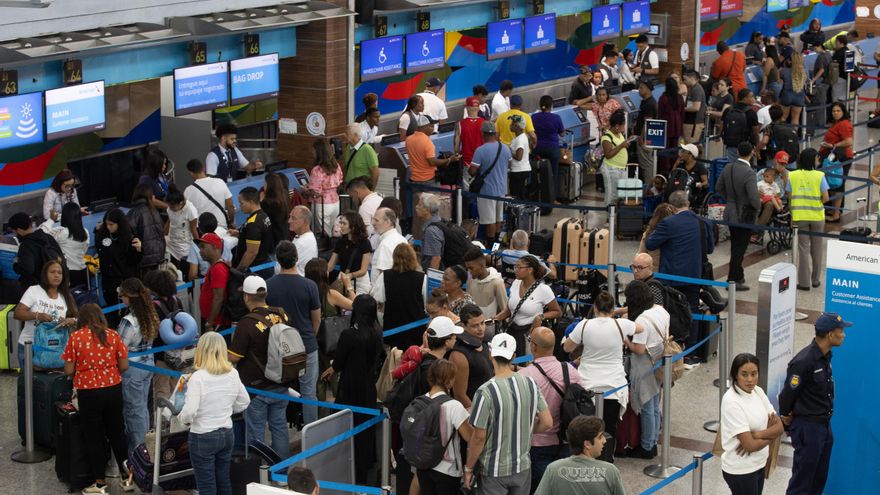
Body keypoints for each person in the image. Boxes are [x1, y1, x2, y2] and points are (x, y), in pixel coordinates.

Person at [463, 332, 552, 493]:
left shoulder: (485, 391)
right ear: (514, 356)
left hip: (493, 470)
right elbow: (547, 422)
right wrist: (523, 429)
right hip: (522, 466)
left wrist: (468, 469)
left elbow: (479, 437)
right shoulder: (530, 383)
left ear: (490, 354)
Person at [61, 304, 129, 495]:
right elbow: (124, 364)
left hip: (88, 392)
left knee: (94, 437)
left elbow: (68, 370)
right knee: (118, 433)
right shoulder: (113, 335)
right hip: (113, 389)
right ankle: (128, 479)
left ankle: (100, 484)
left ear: (82, 319)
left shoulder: (76, 337)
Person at [779, 312, 849, 495]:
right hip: (808, 428)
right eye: (841, 331)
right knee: (801, 484)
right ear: (830, 334)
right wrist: (787, 420)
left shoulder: (825, 357)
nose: (844, 334)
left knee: (818, 480)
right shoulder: (804, 361)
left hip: (824, 427)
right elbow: (786, 395)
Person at [563, 291, 642, 455]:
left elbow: (567, 347)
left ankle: (588, 458)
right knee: (610, 429)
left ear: (595, 308)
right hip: (614, 386)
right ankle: (608, 459)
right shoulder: (621, 324)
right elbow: (640, 328)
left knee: (588, 429)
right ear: (612, 308)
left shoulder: (584, 325)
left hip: (588, 385)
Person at [320, 295, 385, 483]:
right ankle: (363, 475)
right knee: (365, 433)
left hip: (349, 389)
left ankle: (346, 472)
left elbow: (339, 362)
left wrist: (331, 369)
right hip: (368, 389)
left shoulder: (349, 335)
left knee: (347, 429)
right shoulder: (377, 332)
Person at [645, 191, 714, 365]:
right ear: (688, 202)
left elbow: (650, 243)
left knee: (669, 312)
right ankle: (691, 353)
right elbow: (710, 248)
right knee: (693, 310)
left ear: (672, 206)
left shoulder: (668, 223)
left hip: (671, 277)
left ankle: (672, 350)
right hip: (694, 276)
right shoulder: (702, 222)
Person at [177, 332, 250, 495]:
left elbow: (189, 412)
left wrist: (181, 420)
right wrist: (227, 410)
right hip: (226, 433)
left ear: (201, 350)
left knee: (206, 485)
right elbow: (245, 401)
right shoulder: (233, 373)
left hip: (202, 436)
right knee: (224, 481)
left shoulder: (198, 378)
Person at [227, 275, 292, 457]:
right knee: (279, 427)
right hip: (281, 382)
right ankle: (280, 472)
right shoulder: (282, 314)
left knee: (256, 433)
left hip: (256, 388)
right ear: (265, 294)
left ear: (246, 297)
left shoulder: (246, 323)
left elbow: (234, 357)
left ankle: (259, 473)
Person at [519, 327, 584, 490]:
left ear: (533, 347)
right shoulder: (569, 370)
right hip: (565, 438)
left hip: (537, 442)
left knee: (541, 488)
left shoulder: (524, 376)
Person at [265, 241, 321, 424]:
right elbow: (316, 319)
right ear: (297, 258)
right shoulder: (310, 286)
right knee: (309, 393)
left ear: (278, 260)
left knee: (279, 391)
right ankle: (311, 436)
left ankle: (280, 430)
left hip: (279, 347)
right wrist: (309, 336)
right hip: (306, 345)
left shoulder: (268, 286)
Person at [719, 353, 783, 495]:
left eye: (754, 374)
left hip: (759, 464)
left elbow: (779, 427)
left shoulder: (758, 392)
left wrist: (757, 434)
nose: (750, 380)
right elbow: (750, 446)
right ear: (736, 375)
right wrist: (771, 434)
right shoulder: (731, 401)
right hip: (741, 470)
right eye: (744, 374)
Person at [623, 280, 669, 459]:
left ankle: (647, 446)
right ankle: (654, 439)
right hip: (659, 359)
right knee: (655, 402)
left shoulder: (642, 320)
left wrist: (626, 339)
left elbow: (639, 349)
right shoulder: (660, 309)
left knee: (647, 405)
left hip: (645, 364)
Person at [416, 359, 474, 495]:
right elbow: (470, 436)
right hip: (447, 470)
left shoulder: (420, 402)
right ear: (449, 381)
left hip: (423, 466)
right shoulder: (453, 405)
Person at [116, 278, 160, 453]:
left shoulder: (128, 321)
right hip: (147, 364)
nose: (122, 298)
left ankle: (138, 450)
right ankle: (146, 446)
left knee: (134, 411)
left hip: (132, 369)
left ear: (129, 297)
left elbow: (120, 347)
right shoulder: (150, 314)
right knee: (142, 407)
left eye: (123, 295)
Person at [534, 416, 626, 495]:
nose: (604, 441)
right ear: (587, 444)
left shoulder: (553, 469)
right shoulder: (611, 471)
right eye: (600, 437)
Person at [13, 259, 78, 368]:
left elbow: (78, 319)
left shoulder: (66, 296)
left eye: (59, 273)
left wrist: (71, 321)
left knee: (51, 383)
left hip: (55, 349)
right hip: (30, 346)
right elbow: (17, 313)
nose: (56, 275)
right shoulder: (34, 290)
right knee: (29, 383)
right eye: (52, 272)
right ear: (45, 275)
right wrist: (38, 315)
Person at [493, 254, 561, 355]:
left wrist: (540, 317)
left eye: (519, 267)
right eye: (515, 267)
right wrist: (495, 318)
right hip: (512, 332)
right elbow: (509, 309)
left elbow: (557, 312)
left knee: (525, 365)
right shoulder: (515, 283)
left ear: (530, 270)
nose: (515, 270)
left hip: (529, 335)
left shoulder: (543, 289)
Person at [716, 142, 761, 292]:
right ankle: (732, 279)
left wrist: (729, 200)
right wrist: (757, 208)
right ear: (752, 152)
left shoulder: (728, 167)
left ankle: (739, 275)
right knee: (739, 248)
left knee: (736, 245)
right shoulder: (749, 172)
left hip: (730, 211)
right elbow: (754, 198)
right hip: (744, 215)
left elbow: (719, 188)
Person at [788, 148, 830, 291]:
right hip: (817, 216)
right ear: (813, 160)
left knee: (803, 249)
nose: (819, 160)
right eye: (818, 158)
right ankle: (816, 280)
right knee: (817, 249)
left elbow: (789, 195)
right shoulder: (819, 176)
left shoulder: (792, 175)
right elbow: (826, 197)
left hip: (800, 217)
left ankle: (804, 283)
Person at [372, 242, 426, 349]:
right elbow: (426, 304)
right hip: (415, 330)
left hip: (392, 329)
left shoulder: (385, 276)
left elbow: (378, 299)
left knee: (392, 360)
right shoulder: (423, 278)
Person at [94, 209, 142, 316]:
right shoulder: (103, 234)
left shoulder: (129, 237)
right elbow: (99, 249)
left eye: (111, 224)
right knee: (112, 311)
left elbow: (134, 261)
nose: (108, 227)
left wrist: (138, 250)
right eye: (106, 224)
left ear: (119, 224)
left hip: (124, 280)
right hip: (108, 280)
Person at [468, 121, 511, 242]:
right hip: (501, 189)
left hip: (487, 190)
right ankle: (496, 246)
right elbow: (510, 164)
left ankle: (491, 246)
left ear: (484, 134)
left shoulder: (480, 150)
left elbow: (472, 171)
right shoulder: (505, 148)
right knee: (498, 219)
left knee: (489, 221)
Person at [448, 304, 493, 410]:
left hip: (490, 405)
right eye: (475, 325)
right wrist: (478, 416)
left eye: (482, 323)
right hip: (473, 413)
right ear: (463, 326)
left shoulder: (484, 343)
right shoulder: (459, 355)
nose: (481, 329)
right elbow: (459, 394)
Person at [39, 202, 90, 287]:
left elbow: (40, 233)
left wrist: (51, 220)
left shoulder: (62, 232)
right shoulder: (86, 232)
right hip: (83, 272)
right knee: (84, 299)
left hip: (68, 273)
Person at [9, 212, 63, 289]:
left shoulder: (26, 245)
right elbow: (61, 257)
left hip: (38, 287)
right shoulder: (47, 237)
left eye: (14, 232)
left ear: (19, 230)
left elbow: (28, 270)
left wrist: (16, 265)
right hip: (55, 284)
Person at [820, 102, 853, 223]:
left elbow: (848, 141)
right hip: (834, 158)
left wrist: (832, 145)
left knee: (837, 184)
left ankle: (836, 214)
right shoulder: (837, 123)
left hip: (841, 158)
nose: (835, 113)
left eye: (838, 111)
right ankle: (834, 210)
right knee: (833, 184)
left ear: (843, 111)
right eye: (834, 111)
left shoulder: (844, 124)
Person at [408, 114, 461, 188]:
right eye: (432, 126)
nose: (433, 129)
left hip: (414, 179)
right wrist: (449, 159)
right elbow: (432, 162)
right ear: (425, 127)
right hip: (428, 180)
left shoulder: (408, 140)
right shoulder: (427, 141)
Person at [230, 187, 273, 277]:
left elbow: (251, 252)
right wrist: (240, 233)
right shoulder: (263, 215)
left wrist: (238, 271)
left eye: (242, 203)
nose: (240, 207)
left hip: (255, 270)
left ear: (251, 202)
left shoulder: (253, 223)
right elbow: (259, 236)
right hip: (264, 263)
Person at [327, 211, 373, 295]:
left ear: (353, 227)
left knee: (356, 305)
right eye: (341, 223)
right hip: (343, 280)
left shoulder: (365, 243)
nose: (341, 226)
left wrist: (350, 275)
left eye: (344, 224)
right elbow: (331, 265)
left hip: (359, 282)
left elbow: (363, 270)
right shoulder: (340, 242)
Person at [184, 158, 235, 229]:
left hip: (202, 230)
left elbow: (186, 214)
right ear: (203, 168)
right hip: (222, 228)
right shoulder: (220, 182)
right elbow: (230, 206)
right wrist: (231, 222)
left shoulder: (188, 190)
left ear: (191, 173)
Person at [126, 183, 166, 274]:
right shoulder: (154, 211)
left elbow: (127, 233)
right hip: (159, 257)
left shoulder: (134, 212)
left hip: (143, 259)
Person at [599, 110, 634, 207]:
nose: (624, 127)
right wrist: (622, 145)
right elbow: (608, 154)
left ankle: (617, 217)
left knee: (621, 193)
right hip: (611, 169)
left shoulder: (619, 134)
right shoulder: (607, 137)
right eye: (623, 125)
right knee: (611, 194)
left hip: (621, 168)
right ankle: (609, 217)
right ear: (617, 126)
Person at [198, 233, 231, 332]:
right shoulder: (215, 267)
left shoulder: (218, 268)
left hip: (216, 324)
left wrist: (210, 322)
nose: (200, 251)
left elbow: (218, 298)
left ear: (215, 247)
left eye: (203, 247)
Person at [463, 247, 508, 317]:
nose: (469, 271)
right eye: (467, 268)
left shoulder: (497, 283)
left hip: (491, 326)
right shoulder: (470, 280)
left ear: (482, 266)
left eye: (471, 268)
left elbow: (505, 311)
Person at [720, 89, 761, 165]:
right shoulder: (751, 112)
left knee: (732, 168)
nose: (753, 99)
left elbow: (722, 126)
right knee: (748, 170)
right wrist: (757, 148)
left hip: (731, 145)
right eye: (751, 96)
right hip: (746, 147)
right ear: (745, 98)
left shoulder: (728, 110)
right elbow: (755, 132)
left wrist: (723, 137)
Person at [532, 94, 566, 186]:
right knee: (553, 174)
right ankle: (552, 198)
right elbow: (562, 134)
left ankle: (536, 195)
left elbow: (531, 132)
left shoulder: (534, 117)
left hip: (538, 148)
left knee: (536, 172)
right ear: (551, 106)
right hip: (552, 149)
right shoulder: (556, 118)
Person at [165, 187, 199, 276]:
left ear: (181, 203)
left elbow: (193, 229)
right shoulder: (170, 208)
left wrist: (199, 246)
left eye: (172, 206)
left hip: (185, 246)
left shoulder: (191, 210)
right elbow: (169, 221)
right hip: (171, 243)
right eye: (169, 206)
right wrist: (163, 234)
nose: (170, 208)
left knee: (183, 271)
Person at [455, 96, 486, 190]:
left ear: (467, 108)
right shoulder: (485, 123)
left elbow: (456, 146)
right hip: (482, 162)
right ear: (478, 108)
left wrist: (457, 154)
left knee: (468, 190)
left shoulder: (460, 124)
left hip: (467, 162)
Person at [370, 207, 407, 282]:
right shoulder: (402, 239)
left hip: (383, 291)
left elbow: (383, 275)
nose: (373, 223)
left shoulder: (385, 245)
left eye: (376, 220)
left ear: (387, 222)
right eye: (373, 220)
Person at [658, 78, 685, 174]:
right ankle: (673, 170)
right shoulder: (680, 98)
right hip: (677, 126)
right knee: (675, 150)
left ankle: (664, 171)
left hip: (666, 127)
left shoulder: (663, 98)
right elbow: (682, 113)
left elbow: (660, 113)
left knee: (664, 150)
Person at [639, 205, 676, 274]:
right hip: (670, 274)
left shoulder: (648, 233)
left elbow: (641, 254)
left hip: (652, 273)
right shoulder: (676, 234)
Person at [634, 80, 659, 182]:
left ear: (648, 89)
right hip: (645, 137)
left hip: (645, 139)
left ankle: (649, 186)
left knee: (647, 164)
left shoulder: (649, 104)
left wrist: (641, 137)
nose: (639, 90)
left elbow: (647, 123)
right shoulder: (646, 101)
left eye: (641, 88)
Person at [343, 122, 380, 187]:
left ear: (355, 135)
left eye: (347, 134)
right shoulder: (348, 147)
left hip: (362, 190)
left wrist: (371, 191)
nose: (344, 135)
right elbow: (346, 167)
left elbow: (375, 172)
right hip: (349, 189)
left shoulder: (367, 149)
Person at [261, 172, 292, 245]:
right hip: (284, 234)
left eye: (265, 183)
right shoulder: (283, 197)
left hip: (274, 239)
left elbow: (263, 219)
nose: (263, 186)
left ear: (270, 185)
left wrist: (260, 202)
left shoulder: (267, 203)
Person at [507, 114, 531, 200]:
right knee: (520, 193)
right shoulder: (520, 137)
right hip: (522, 169)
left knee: (515, 194)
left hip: (518, 171)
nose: (510, 125)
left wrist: (508, 151)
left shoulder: (520, 139)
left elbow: (519, 157)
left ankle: (517, 212)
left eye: (513, 123)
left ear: (517, 126)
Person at [288, 206, 317, 275]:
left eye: (293, 218)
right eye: (290, 217)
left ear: (305, 222)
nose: (289, 221)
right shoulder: (304, 238)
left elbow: (283, 267)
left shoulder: (303, 242)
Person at [779, 52, 806, 125]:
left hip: (787, 95)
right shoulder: (804, 71)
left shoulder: (784, 71)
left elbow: (779, 82)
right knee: (795, 118)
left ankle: (782, 134)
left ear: (790, 60)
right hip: (799, 95)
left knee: (783, 117)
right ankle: (793, 134)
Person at [682, 71, 706, 146]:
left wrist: (682, 108)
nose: (684, 81)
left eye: (685, 79)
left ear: (692, 78)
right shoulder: (692, 88)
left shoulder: (697, 89)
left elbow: (696, 107)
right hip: (690, 122)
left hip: (693, 123)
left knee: (690, 147)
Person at [830, 35, 849, 103]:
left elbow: (833, 66)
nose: (835, 43)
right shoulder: (847, 50)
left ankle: (836, 111)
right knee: (843, 98)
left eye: (836, 42)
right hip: (846, 78)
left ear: (841, 43)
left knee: (836, 98)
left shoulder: (838, 54)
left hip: (838, 79)